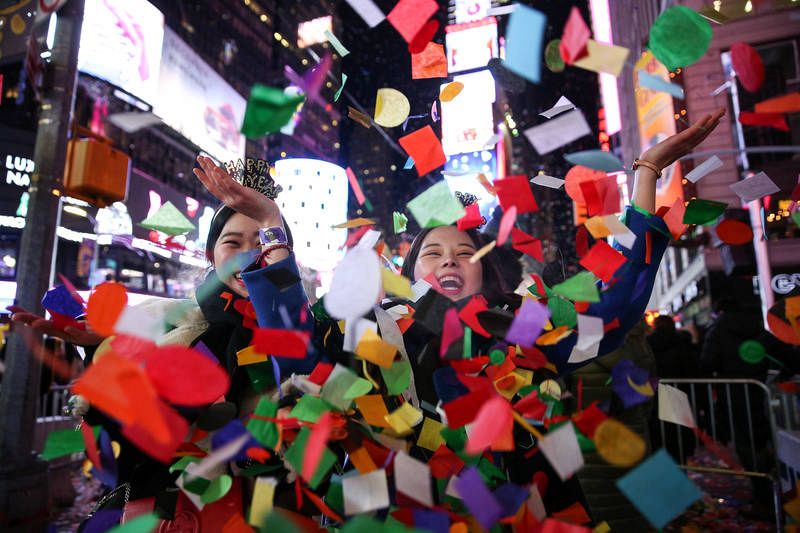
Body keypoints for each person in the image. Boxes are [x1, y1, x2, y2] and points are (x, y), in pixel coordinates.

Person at [11, 155, 318, 528]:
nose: (249, 256)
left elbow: (298, 358)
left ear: (284, 254)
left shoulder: (314, 331)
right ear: (211, 255)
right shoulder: (169, 318)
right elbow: (124, 433)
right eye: (233, 242)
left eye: (263, 241)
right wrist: (102, 349)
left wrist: (272, 220)